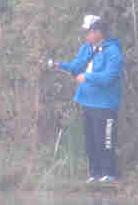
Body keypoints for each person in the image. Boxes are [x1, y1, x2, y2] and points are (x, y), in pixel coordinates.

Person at [49, 13, 125, 183]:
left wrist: (87, 77)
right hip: (87, 102)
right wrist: (59, 66)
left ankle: (109, 175)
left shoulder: (113, 52)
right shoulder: (86, 49)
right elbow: (76, 66)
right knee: (90, 141)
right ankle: (94, 175)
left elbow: (109, 77)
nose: (86, 35)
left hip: (105, 105)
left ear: (98, 32)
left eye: (88, 32)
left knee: (105, 141)